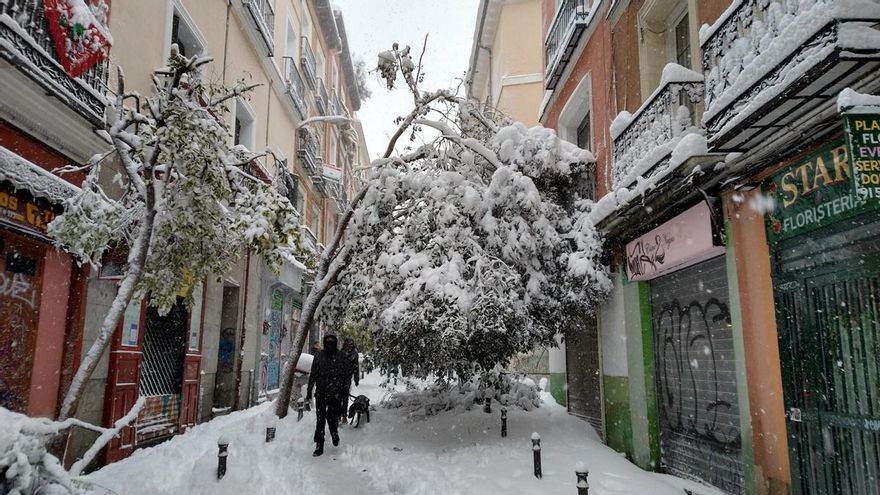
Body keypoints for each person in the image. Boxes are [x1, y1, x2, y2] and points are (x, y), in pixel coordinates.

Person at [306, 334, 349, 457]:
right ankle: (319, 444)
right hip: (321, 393)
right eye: (327, 342)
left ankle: (334, 432)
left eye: (332, 342)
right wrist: (309, 390)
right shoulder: (319, 355)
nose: (330, 345)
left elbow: (346, 375)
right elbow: (313, 373)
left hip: (336, 394)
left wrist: (344, 390)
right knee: (320, 420)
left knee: (332, 417)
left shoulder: (341, 356)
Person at [339, 340, 360, 423]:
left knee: (345, 396)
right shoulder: (341, 353)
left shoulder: (354, 354)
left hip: (348, 377)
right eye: (348, 345)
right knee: (338, 397)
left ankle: (344, 415)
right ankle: (338, 415)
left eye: (351, 345)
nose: (349, 347)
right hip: (339, 377)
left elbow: (356, 367)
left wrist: (356, 378)